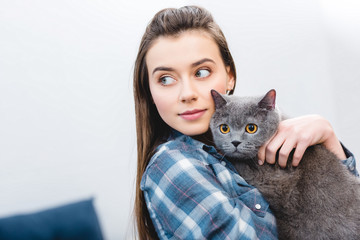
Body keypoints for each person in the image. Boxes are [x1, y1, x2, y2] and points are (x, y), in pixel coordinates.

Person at [133, 6, 358, 239]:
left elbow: (345, 217)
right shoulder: (173, 164)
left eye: (201, 72)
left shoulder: (228, 150)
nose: (187, 93)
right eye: (166, 79)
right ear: (149, 92)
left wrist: (329, 140)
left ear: (229, 76)